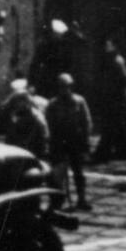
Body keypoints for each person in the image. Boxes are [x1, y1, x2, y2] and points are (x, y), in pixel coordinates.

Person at [45, 73, 95, 208]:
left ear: (71, 87)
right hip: (59, 142)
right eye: (61, 87)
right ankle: (56, 201)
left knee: (79, 172)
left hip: (75, 141)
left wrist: (86, 142)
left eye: (67, 86)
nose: (64, 89)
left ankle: (82, 199)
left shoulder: (79, 101)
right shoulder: (53, 104)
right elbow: (48, 125)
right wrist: (50, 143)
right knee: (57, 175)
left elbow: (87, 122)